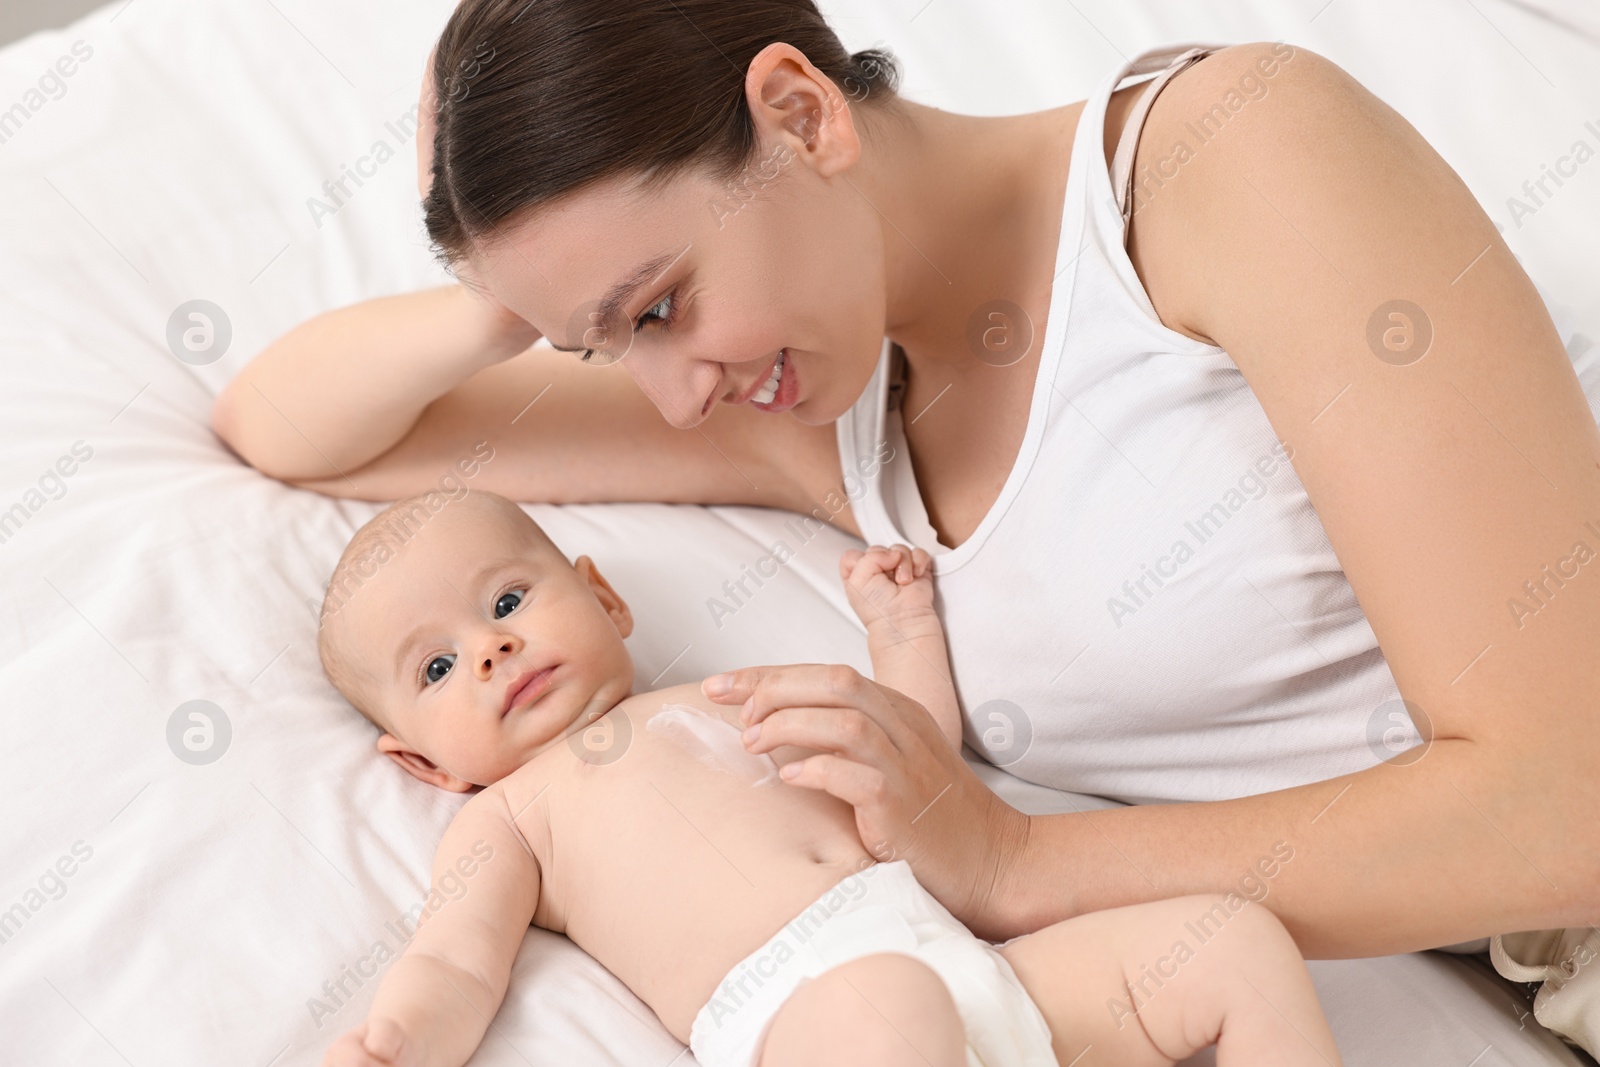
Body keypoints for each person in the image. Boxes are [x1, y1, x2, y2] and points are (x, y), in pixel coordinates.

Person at [211, 0, 1600, 977]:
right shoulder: (819, 411)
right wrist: (511, 287)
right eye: (613, 343)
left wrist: (1007, 861)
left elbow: (1568, 805)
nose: (672, 391)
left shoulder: (1222, 158)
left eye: (663, 304)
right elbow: (288, 426)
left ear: (802, 115)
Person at [314, 487, 1342, 1067]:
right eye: (437, 666)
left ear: (603, 597)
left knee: (1232, 939)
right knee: (888, 1007)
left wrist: (899, 632)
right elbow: (456, 961)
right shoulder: (511, 816)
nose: (490, 648)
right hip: (808, 1022)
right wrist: (396, 1042)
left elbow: (912, 770)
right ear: (422, 762)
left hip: (989, 978)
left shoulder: (727, 694)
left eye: (506, 598)